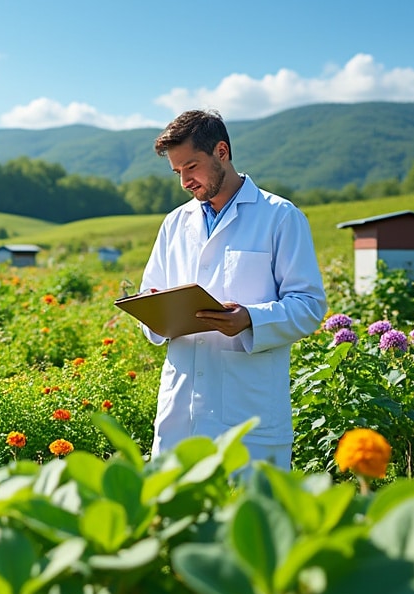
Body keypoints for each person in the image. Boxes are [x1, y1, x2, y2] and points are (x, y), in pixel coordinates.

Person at [138, 109, 325, 470]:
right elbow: (152, 297)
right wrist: (153, 313)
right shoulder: (175, 224)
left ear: (221, 151)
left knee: (250, 518)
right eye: (178, 172)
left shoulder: (280, 217)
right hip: (182, 411)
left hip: (248, 411)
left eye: (191, 167)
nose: (184, 182)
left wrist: (250, 319)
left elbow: (308, 306)